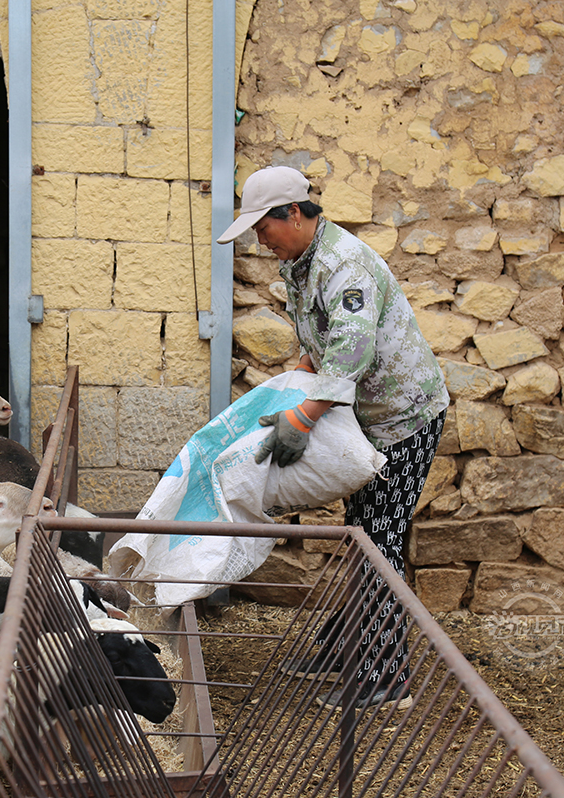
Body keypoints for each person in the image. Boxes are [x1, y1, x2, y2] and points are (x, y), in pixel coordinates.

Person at [216, 165, 450, 711]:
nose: (259, 239)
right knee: (361, 530)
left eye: (263, 227)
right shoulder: (303, 262)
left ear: (293, 214)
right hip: (366, 417)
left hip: (404, 418)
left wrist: (303, 418)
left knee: (380, 540)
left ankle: (386, 676)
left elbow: (350, 352)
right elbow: (318, 342)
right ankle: (347, 646)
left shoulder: (345, 266)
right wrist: (294, 386)